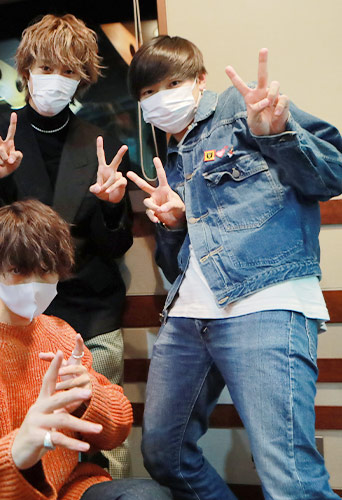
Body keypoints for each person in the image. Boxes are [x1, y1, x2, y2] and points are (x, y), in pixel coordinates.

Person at [126, 36, 342, 500]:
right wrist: (174, 225)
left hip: (266, 300)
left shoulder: (243, 109)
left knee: (290, 480)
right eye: (147, 93)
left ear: (200, 80)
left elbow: (333, 173)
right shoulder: (169, 158)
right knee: (164, 453)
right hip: (188, 316)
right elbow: (175, 266)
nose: (160, 98)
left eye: (172, 84)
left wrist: (277, 133)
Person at [0, 200, 170, 500]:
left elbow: (117, 430)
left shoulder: (61, 333)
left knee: (148, 495)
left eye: (46, 271)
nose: (34, 284)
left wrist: (90, 396)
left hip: (72, 489)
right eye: (18, 270)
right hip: (12, 495)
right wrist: (15, 450)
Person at [0, 13, 133, 478]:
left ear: (82, 79)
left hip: (91, 316)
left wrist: (112, 205)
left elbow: (116, 245)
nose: (55, 79)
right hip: (23, 319)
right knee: (35, 441)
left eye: (68, 71)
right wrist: (0, 182)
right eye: (46, 67)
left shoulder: (99, 141)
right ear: (27, 70)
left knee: (102, 438)